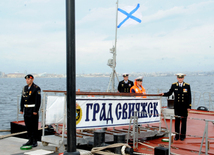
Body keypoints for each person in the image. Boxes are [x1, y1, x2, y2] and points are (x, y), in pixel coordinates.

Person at [161, 73, 191, 141]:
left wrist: (189, 106)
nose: (180, 79)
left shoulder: (187, 86)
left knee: (184, 121)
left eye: (181, 78)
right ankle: (177, 135)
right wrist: (163, 94)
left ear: (183, 78)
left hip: (184, 106)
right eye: (179, 78)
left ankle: (183, 135)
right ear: (177, 78)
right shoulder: (174, 85)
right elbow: (169, 93)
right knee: (177, 121)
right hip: (177, 106)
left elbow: (189, 96)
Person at [20, 74, 41, 147]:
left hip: (33, 109)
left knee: (34, 126)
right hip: (26, 109)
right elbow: (22, 99)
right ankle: (30, 140)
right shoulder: (25, 88)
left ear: (32, 80)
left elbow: (38, 101)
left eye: (28, 79)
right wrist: (21, 109)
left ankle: (35, 141)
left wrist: (36, 110)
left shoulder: (36, 88)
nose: (27, 80)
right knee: (28, 125)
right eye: (26, 79)